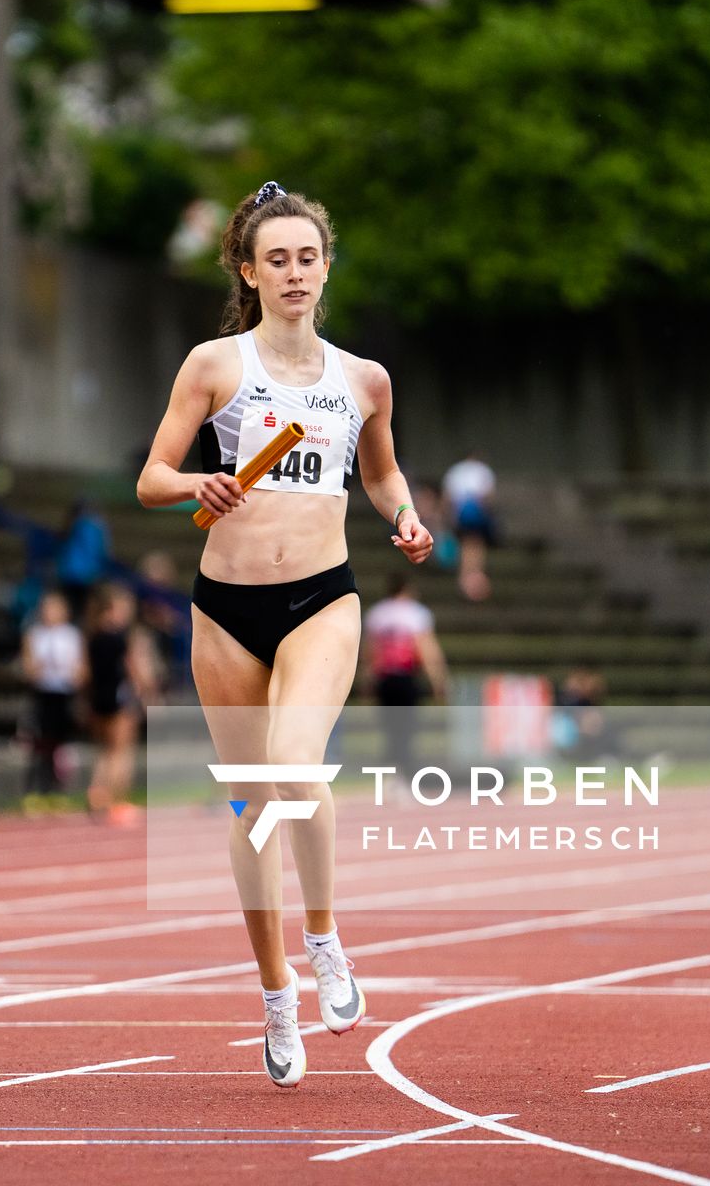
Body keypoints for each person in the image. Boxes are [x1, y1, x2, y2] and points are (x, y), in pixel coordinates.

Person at [136, 179, 434, 1088]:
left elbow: (379, 475)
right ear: (249, 271)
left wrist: (407, 516)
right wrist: (200, 485)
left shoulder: (363, 380)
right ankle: (275, 992)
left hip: (321, 601)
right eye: (278, 260)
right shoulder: (214, 365)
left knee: (298, 767)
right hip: (225, 610)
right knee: (254, 807)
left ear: (326, 266)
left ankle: (326, 938)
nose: (295, 273)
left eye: (308, 257)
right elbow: (149, 476)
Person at [82, 584, 161, 825]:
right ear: (112, 609)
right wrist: (148, 693)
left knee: (105, 750)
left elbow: (83, 672)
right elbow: (134, 669)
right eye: (124, 608)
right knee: (122, 752)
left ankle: (97, 794)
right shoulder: (120, 638)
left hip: (97, 697)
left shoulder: (92, 636)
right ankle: (118, 801)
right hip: (119, 697)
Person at [363, 575, 448, 767]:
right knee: (407, 726)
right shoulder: (416, 613)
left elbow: (370, 652)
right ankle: (404, 766)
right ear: (407, 590)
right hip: (406, 677)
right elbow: (425, 648)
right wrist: (437, 679)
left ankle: (391, 767)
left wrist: (368, 679)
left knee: (389, 726)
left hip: (385, 678)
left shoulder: (377, 613)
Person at [21, 590, 85, 805]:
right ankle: (35, 790)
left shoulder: (72, 635)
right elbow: (29, 667)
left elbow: (82, 669)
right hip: (43, 693)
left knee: (60, 745)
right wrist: (37, 668)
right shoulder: (35, 635)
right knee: (40, 744)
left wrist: (73, 674)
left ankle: (57, 791)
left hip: (63, 693)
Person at [441, 449, 497, 600]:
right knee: (475, 544)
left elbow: (447, 497)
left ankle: (466, 579)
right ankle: (473, 580)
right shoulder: (482, 471)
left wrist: (449, 517)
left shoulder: (455, 471)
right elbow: (488, 495)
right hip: (475, 512)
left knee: (466, 544)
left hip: (460, 513)